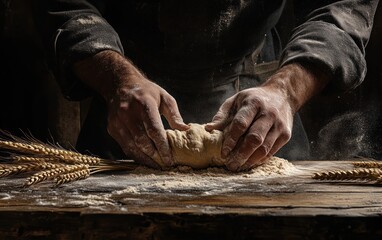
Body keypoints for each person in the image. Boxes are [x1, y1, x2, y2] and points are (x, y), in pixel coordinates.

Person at [33, 0, 379, 171]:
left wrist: (286, 91)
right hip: (125, 103)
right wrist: (117, 80)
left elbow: (342, 5)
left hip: (261, 96)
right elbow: (63, 4)